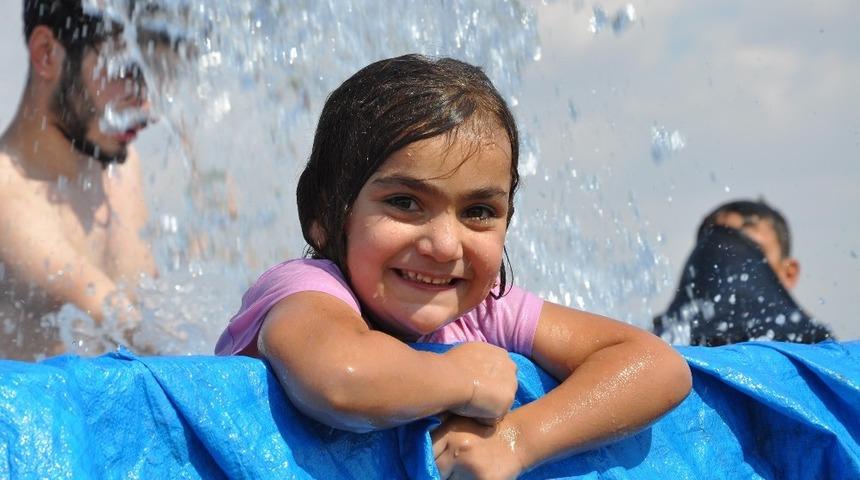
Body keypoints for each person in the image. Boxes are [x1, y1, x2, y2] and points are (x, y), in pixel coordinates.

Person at [216, 55, 691, 478]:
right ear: (323, 216)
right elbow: (342, 377)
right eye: (404, 202)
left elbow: (658, 367)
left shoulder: (481, 311)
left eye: (479, 212)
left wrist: (520, 439)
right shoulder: (303, 289)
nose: (445, 246)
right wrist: (463, 379)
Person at [0, 1, 158, 360]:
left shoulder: (122, 167)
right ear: (46, 55)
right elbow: (135, 334)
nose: (147, 108)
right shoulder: (7, 196)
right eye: (123, 70)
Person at [654, 199, 834, 346]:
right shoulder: (661, 343)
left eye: (752, 252)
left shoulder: (814, 345)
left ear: (789, 274)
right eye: (712, 252)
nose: (728, 264)